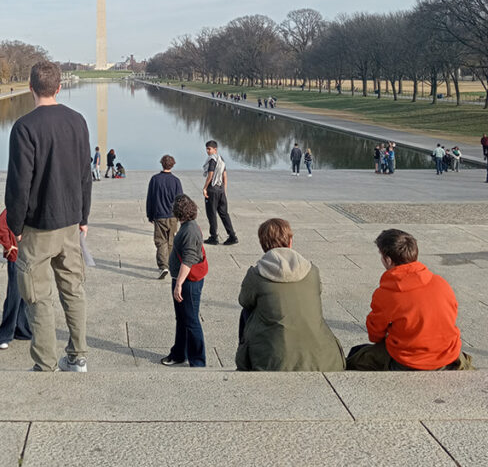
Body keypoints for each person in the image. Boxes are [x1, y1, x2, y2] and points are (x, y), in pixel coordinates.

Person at [5, 59, 91, 373]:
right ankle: (78, 356)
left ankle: (45, 363)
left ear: (30, 87)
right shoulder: (78, 120)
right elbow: (85, 174)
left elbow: (19, 184)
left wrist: (14, 227)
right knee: (73, 289)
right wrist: (84, 217)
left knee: (38, 296)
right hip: (70, 222)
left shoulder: (25, 127)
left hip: (38, 227)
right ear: (59, 86)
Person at [346, 229, 471, 371]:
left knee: (356, 356)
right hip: (448, 356)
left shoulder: (386, 293)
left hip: (410, 361)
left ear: (388, 259)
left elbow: (375, 335)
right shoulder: (441, 283)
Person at [236, 219, 344, 371]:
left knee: (247, 311)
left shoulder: (256, 274)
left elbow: (244, 301)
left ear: (262, 244)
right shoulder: (312, 271)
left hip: (272, 360)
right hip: (325, 357)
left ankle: (246, 361)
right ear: (290, 241)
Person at [160, 194, 207, 368]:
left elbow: (188, 259)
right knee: (182, 318)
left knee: (191, 320)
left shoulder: (189, 231)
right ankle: (179, 353)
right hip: (184, 280)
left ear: (178, 213)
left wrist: (178, 284)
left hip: (188, 282)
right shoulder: (189, 226)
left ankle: (198, 361)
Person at [0, 208, 32, 349]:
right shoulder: (13, 208)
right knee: (14, 296)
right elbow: (0, 226)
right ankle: (4, 335)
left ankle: (23, 330)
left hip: (29, 257)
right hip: (16, 257)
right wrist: (9, 246)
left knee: (26, 295)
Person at [145, 154, 183, 279]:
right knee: (171, 241)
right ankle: (172, 264)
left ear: (162, 164)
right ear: (173, 164)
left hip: (159, 215)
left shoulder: (155, 179)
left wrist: (150, 215)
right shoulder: (176, 181)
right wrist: (181, 216)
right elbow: (180, 200)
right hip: (173, 216)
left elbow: (150, 198)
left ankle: (163, 266)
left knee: (161, 242)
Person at [202, 140, 238, 246]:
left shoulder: (212, 160)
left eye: (209, 149)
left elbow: (210, 175)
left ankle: (214, 237)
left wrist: (204, 188)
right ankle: (232, 236)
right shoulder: (221, 159)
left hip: (212, 190)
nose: (208, 151)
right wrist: (224, 190)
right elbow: (224, 176)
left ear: (215, 149)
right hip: (221, 189)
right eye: (207, 149)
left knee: (211, 214)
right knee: (224, 214)